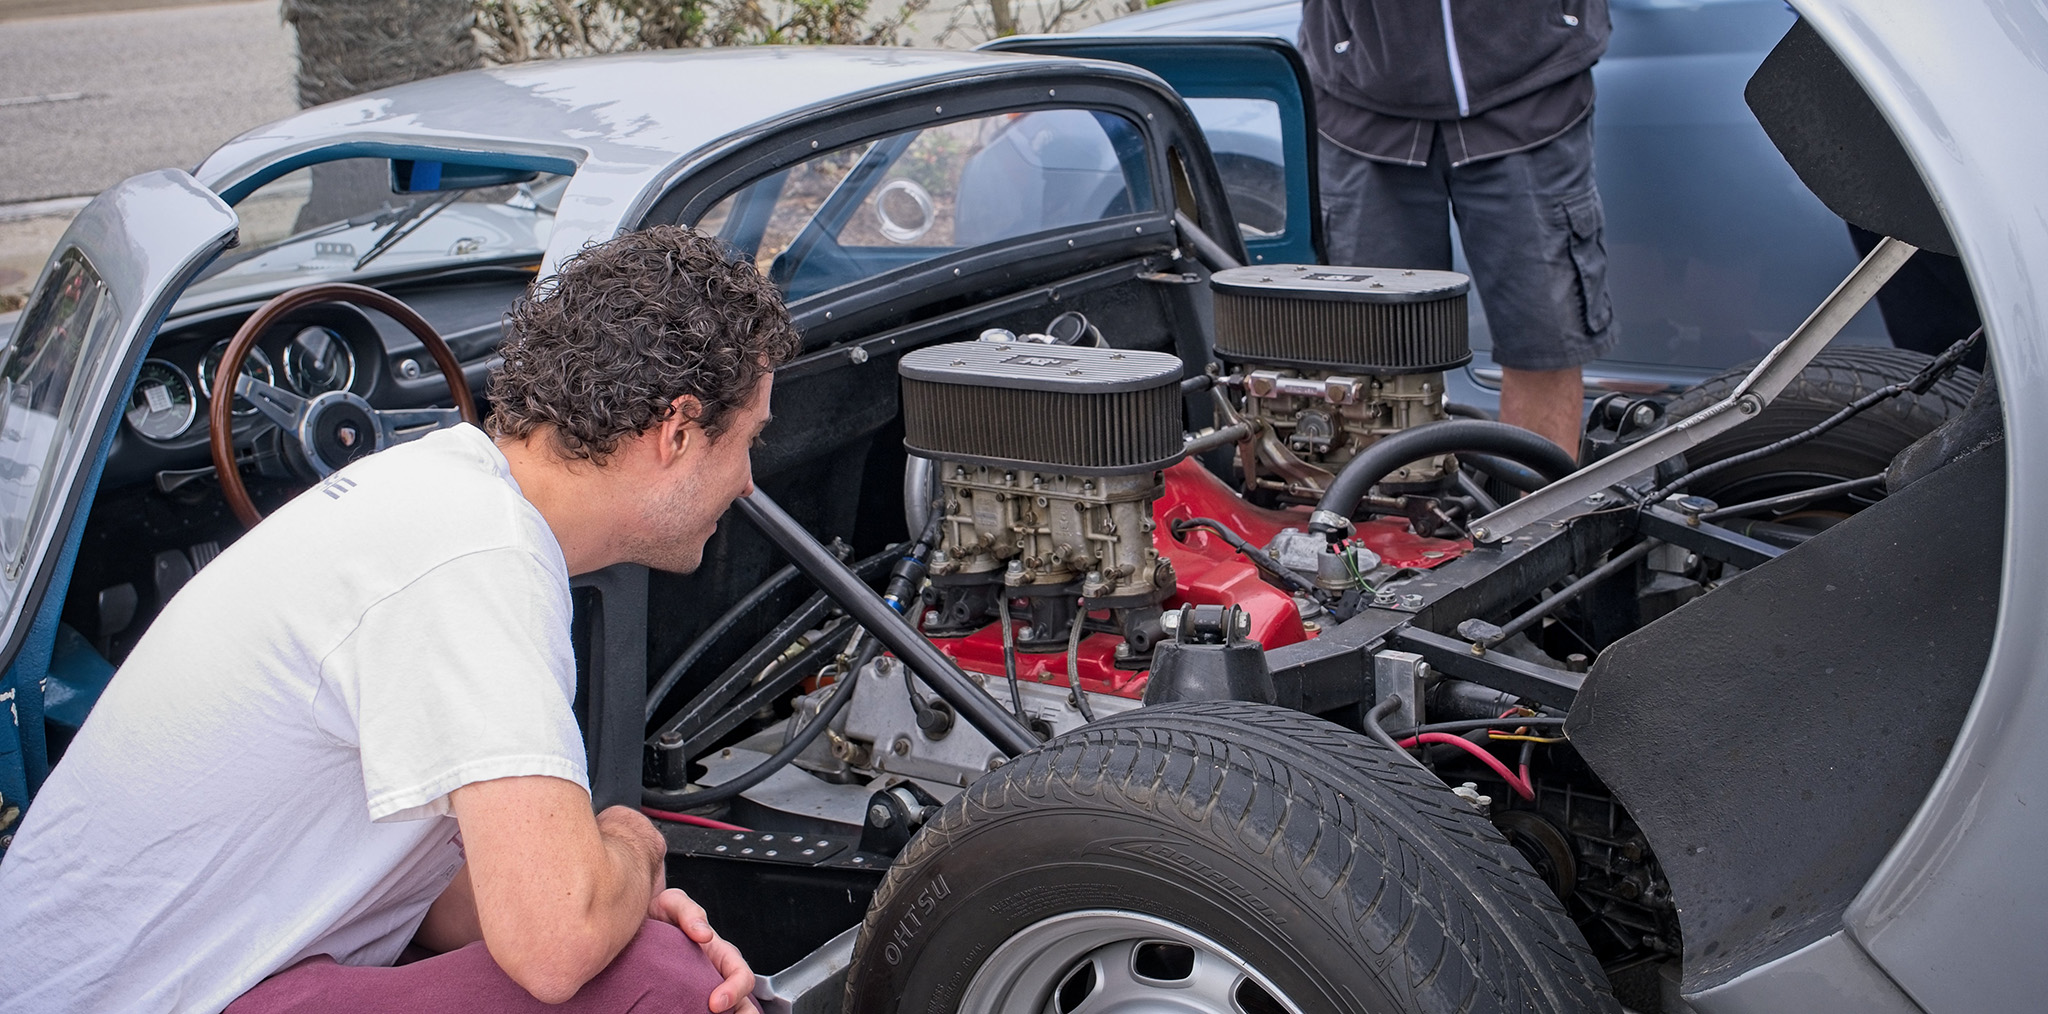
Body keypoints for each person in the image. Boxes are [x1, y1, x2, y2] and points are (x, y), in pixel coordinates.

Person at [0, 225, 801, 1014]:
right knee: (664, 986)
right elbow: (555, 949)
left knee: (637, 954)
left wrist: (608, 905)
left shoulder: (440, 496)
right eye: (747, 443)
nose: (746, 482)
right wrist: (629, 844)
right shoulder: (475, 561)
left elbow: (449, 904)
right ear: (678, 430)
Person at [1299, 0, 1616, 457]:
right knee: (1370, 363)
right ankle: (1388, 523)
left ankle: (1539, 521)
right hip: (1360, 105)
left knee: (1542, 344)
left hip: (1534, 94)